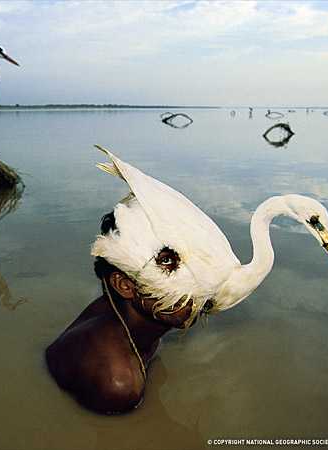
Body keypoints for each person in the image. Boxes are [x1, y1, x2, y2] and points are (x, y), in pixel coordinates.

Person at [46, 146, 222, 414]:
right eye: (168, 265)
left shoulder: (127, 312)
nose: (195, 281)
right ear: (124, 285)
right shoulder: (119, 385)